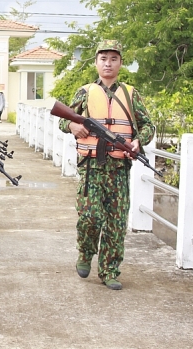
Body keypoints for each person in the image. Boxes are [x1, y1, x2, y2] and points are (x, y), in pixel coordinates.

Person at [58, 40, 155, 290]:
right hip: (91, 167)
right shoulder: (85, 91)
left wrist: (137, 141)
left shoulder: (131, 94)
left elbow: (148, 126)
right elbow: (62, 120)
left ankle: (110, 270)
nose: (108, 63)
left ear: (120, 63)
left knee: (116, 222)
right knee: (90, 216)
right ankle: (85, 251)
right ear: (96, 62)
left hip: (119, 169)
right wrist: (73, 126)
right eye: (103, 59)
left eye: (113, 59)